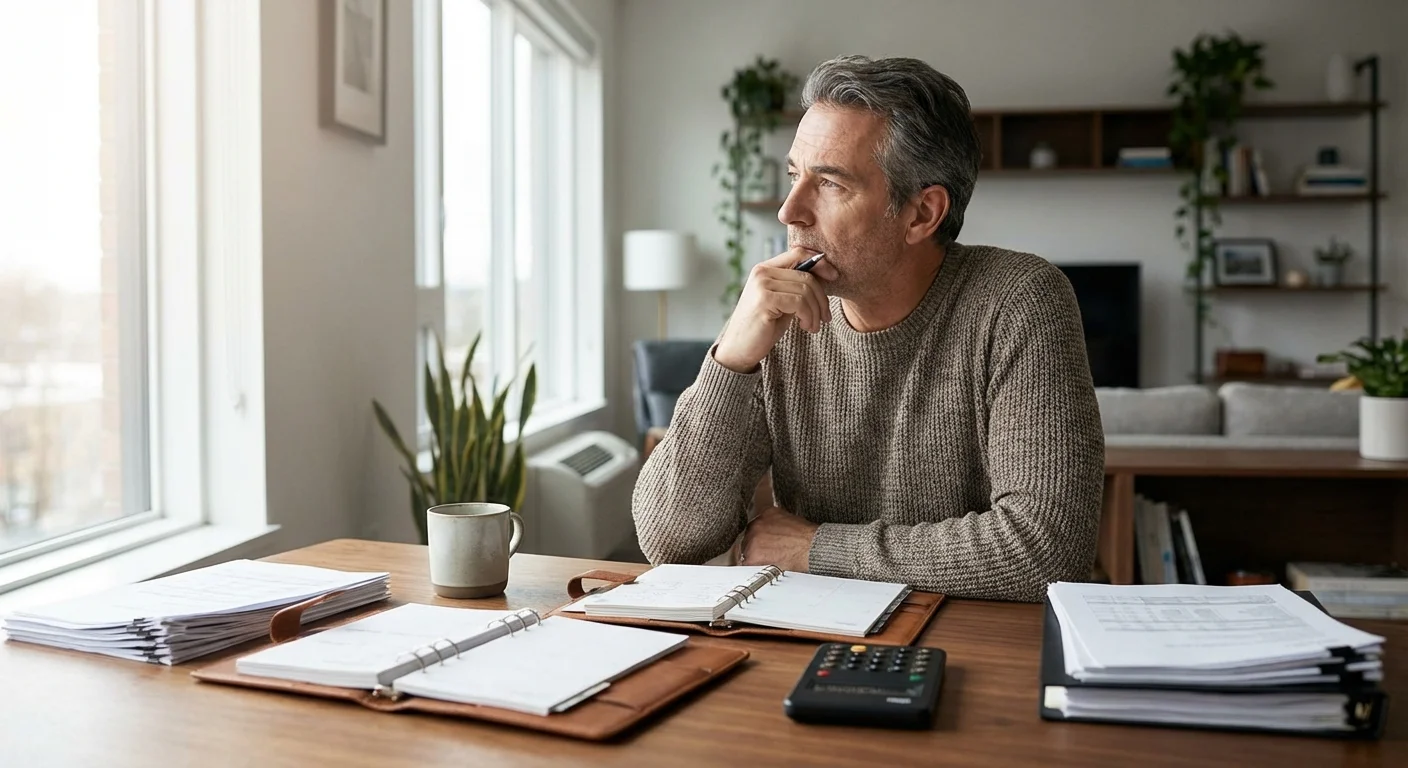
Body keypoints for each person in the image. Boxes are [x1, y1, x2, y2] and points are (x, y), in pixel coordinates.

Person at [631, 55, 1104, 602]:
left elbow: (1045, 550)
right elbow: (670, 540)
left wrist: (814, 550)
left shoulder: (1018, 300)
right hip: (812, 636)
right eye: (793, 176)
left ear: (922, 214)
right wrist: (732, 360)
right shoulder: (780, 315)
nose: (789, 211)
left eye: (829, 183)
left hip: (973, 648)